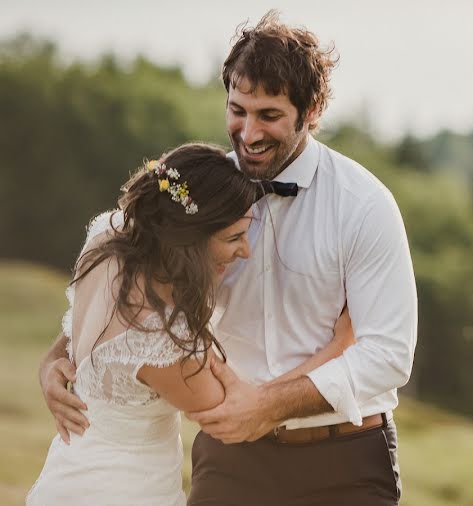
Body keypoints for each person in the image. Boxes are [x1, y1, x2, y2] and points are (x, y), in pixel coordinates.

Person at [42, 10, 418, 506]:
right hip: (230, 459)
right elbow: (127, 281)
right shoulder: (196, 195)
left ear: (311, 112)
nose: (248, 132)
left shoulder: (364, 205)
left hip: (343, 457)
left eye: (269, 115)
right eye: (237, 109)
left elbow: (390, 355)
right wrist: (57, 358)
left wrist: (268, 404)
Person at [29, 143, 356, 505]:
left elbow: (86, 321)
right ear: (190, 237)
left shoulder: (107, 240)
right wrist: (340, 347)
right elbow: (239, 413)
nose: (246, 251)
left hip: (64, 478)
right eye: (234, 237)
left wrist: (50, 363)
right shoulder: (163, 342)